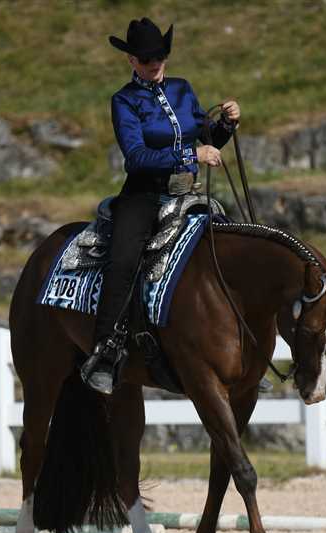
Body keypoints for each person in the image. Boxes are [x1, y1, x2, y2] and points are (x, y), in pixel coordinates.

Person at [80, 17, 241, 394]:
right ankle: (106, 350)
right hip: (143, 194)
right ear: (131, 60)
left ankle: (235, 347)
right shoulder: (124, 101)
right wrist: (191, 155)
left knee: (230, 248)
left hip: (188, 193)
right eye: (147, 59)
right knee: (123, 260)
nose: (155, 63)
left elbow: (206, 136)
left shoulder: (183, 88)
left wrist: (226, 126)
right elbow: (136, 157)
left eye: (160, 56)